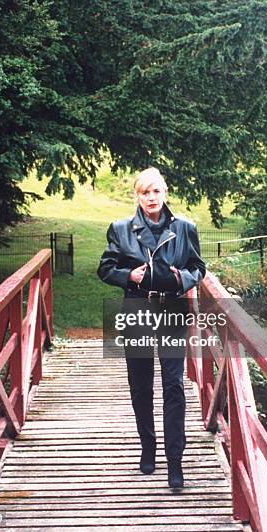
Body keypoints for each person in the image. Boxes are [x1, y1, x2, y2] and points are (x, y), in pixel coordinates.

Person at [97, 167, 206, 489]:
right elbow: (105, 268)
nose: (151, 197)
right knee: (141, 385)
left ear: (165, 193)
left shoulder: (185, 227)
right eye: (145, 192)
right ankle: (148, 449)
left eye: (156, 191)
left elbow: (198, 267)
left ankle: (176, 461)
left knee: (173, 385)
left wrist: (182, 279)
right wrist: (127, 276)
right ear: (137, 196)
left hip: (172, 307)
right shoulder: (121, 229)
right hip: (137, 307)